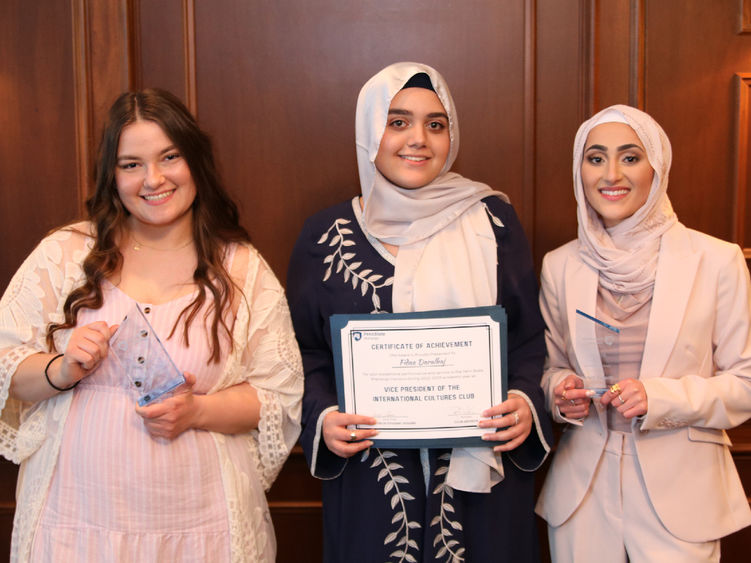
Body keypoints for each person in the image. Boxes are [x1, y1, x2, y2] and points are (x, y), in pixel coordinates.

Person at [0, 88, 303, 562]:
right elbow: (5, 368)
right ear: (111, 175)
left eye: (169, 157)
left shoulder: (241, 269)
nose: (153, 179)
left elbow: (278, 398)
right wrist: (62, 368)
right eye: (131, 164)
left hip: (203, 528)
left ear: (195, 162)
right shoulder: (64, 254)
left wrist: (197, 411)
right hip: (76, 525)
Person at [287, 62, 552, 562]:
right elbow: (305, 353)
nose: (419, 140)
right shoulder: (325, 237)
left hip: (483, 483)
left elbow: (527, 340)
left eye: (436, 123)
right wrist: (323, 418)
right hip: (371, 477)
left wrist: (522, 402)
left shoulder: (494, 222)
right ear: (370, 132)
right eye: (398, 121)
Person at [535, 104, 751, 562]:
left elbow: (746, 384)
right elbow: (550, 367)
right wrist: (560, 391)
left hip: (683, 495)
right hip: (582, 494)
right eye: (595, 158)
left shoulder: (717, 260)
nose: (611, 174)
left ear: (658, 166)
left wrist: (661, 398)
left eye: (630, 157)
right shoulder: (560, 265)